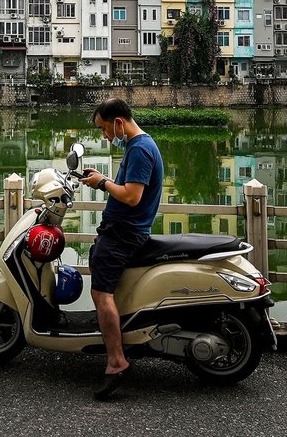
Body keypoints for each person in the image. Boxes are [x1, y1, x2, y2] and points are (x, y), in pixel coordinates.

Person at [81, 98, 163, 400]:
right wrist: (102, 179)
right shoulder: (138, 145)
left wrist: (103, 183)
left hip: (123, 235)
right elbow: (125, 186)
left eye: (104, 129)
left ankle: (116, 361)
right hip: (122, 232)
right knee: (104, 291)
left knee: (102, 294)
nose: (104, 136)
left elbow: (131, 196)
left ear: (118, 122)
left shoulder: (140, 149)